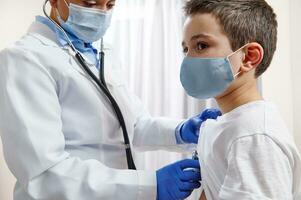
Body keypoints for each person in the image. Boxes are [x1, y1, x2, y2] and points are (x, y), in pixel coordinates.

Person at [0, 0, 222, 199]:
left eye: (110, 5)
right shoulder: (25, 59)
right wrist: (150, 185)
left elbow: (132, 126)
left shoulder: (102, 55)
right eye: (89, 3)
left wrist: (181, 131)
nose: (101, 13)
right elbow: (44, 173)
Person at [180, 0, 301, 199]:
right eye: (186, 49)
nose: (188, 59)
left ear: (249, 57)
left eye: (201, 45)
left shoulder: (254, 136)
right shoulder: (229, 125)